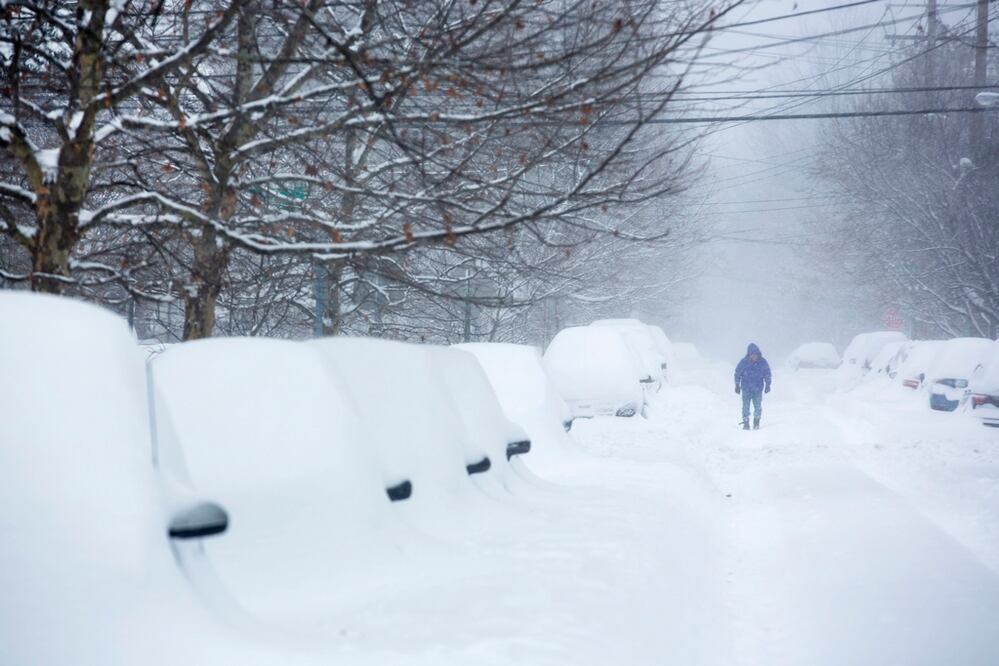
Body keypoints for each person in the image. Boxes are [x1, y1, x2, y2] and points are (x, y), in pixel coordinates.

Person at [734, 343, 771, 430]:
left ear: (758, 354)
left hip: (758, 389)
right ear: (749, 355)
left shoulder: (763, 362)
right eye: (752, 355)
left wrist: (768, 384)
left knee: (757, 406)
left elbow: (767, 374)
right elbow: (737, 374)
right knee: (745, 407)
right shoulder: (743, 363)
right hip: (746, 389)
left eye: (756, 355)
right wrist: (737, 385)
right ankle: (746, 423)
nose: (754, 357)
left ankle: (756, 422)